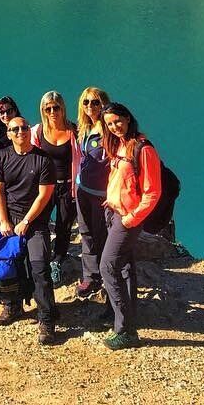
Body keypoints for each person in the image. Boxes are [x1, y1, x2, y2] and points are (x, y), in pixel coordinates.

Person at [100, 102, 162, 350]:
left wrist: (130, 219)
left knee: (107, 266)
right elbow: (121, 178)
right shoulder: (121, 144)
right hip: (114, 212)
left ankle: (125, 329)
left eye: (117, 121)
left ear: (127, 118)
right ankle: (125, 318)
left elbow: (152, 192)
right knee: (123, 266)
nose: (114, 127)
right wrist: (111, 199)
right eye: (109, 124)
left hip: (127, 219)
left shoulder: (143, 149)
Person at [0, 116, 57, 345]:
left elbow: (44, 195)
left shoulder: (43, 159)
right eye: (14, 129)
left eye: (24, 128)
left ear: (29, 131)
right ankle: (13, 306)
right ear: (8, 134)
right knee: (8, 266)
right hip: (9, 220)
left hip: (35, 223)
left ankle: (47, 319)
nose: (20, 132)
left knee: (39, 269)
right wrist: (4, 220)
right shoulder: (3, 156)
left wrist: (26, 222)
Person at [30, 90, 79, 287]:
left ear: (63, 108)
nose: (52, 111)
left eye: (56, 107)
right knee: (39, 222)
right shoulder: (37, 131)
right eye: (47, 108)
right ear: (43, 110)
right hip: (45, 187)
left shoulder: (74, 131)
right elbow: (30, 158)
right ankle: (39, 258)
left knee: (64, 225)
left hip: (68, 186)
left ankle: (57, 260)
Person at [75, 86, 111, 298]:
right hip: (84, 189)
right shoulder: (85, 128)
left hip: (102, 194)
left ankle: (107, 277)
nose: (90, 106)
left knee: (102, 235)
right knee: (86, 233)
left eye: (95, 102)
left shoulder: (108, 130)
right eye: (86, 102)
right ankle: (90, 276)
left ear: (103, 103)